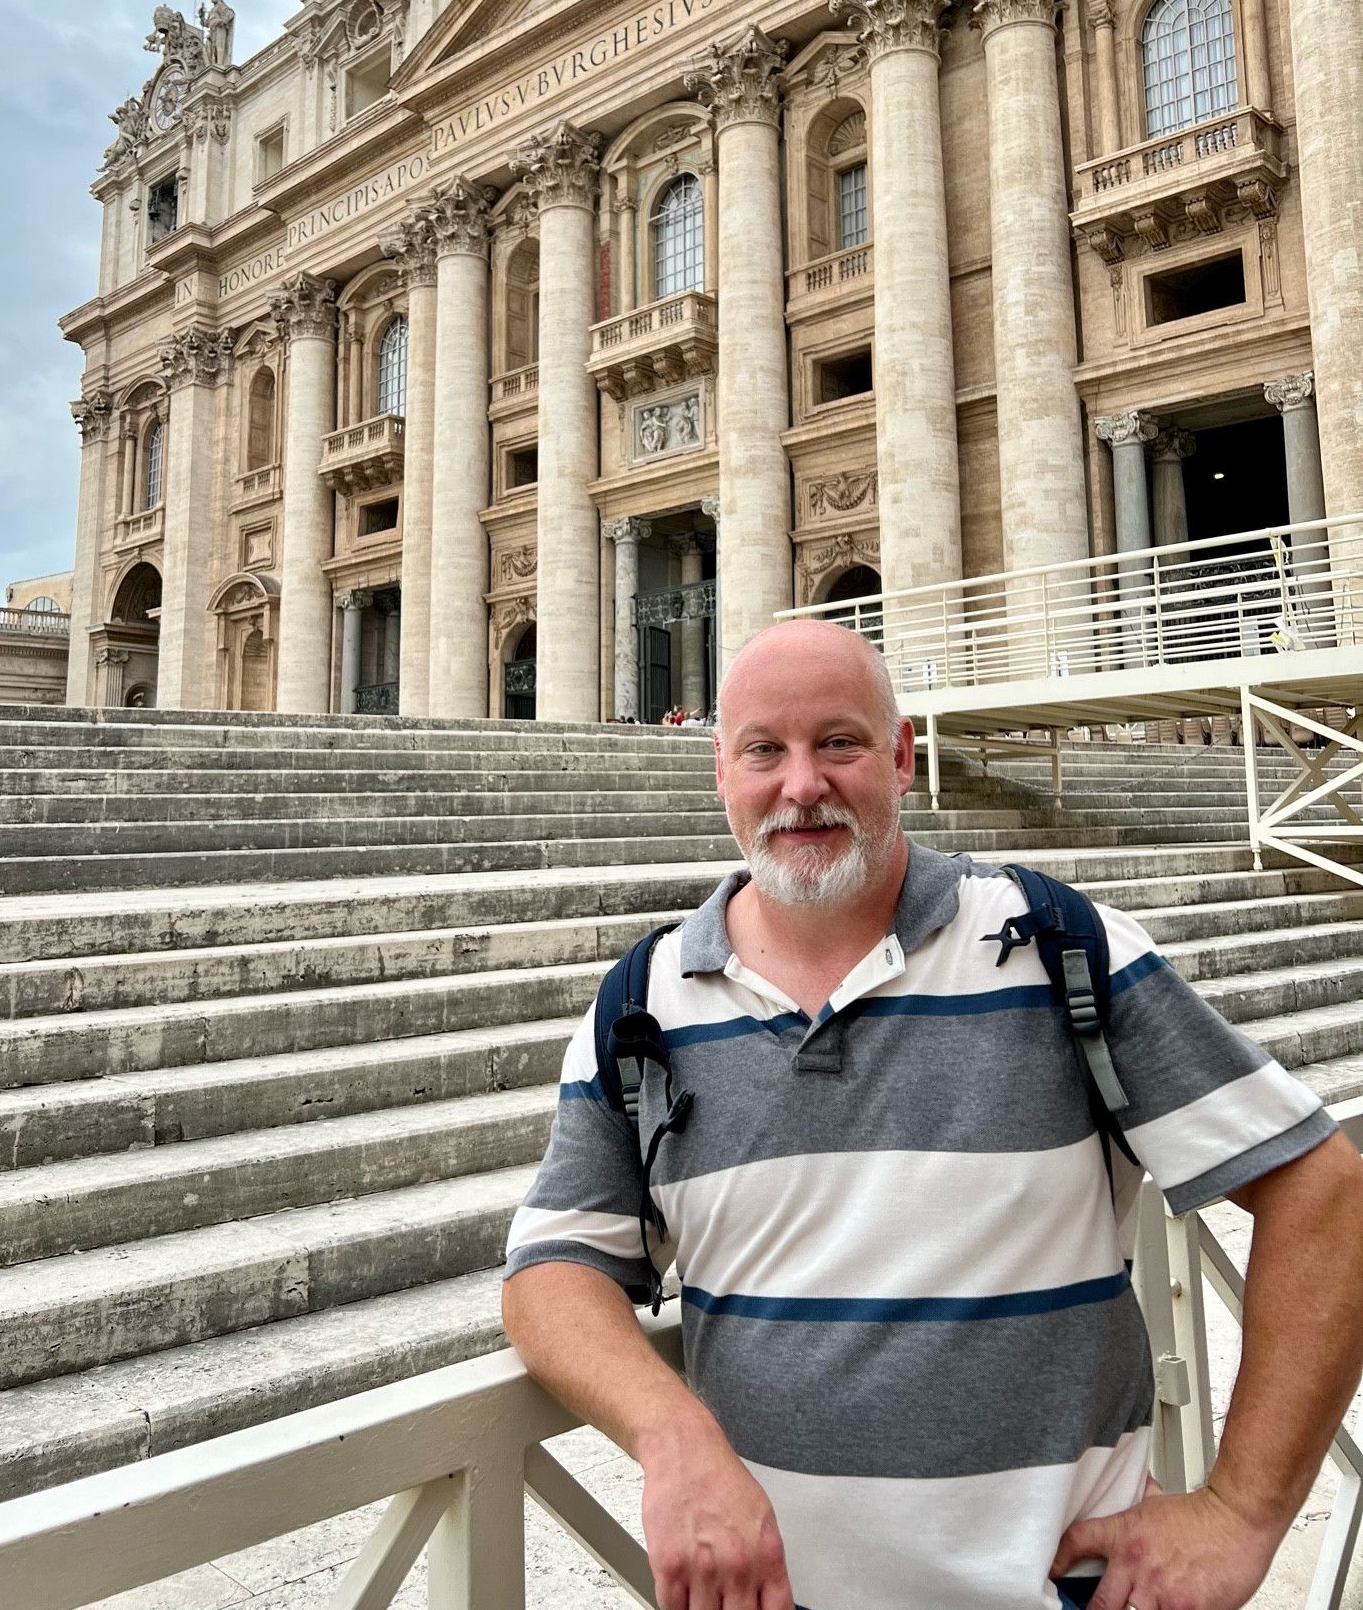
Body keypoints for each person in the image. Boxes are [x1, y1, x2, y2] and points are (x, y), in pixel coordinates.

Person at [503, 621, 1363, 1610]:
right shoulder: (642, 1002)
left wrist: (1244, 1509)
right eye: (764, 749)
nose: (802, 785)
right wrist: (673, 1433)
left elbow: (1323, 1187)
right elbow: (551, 1267)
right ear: (721, 769)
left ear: (902, 756)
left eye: (838, 741)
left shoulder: (1058, 946)